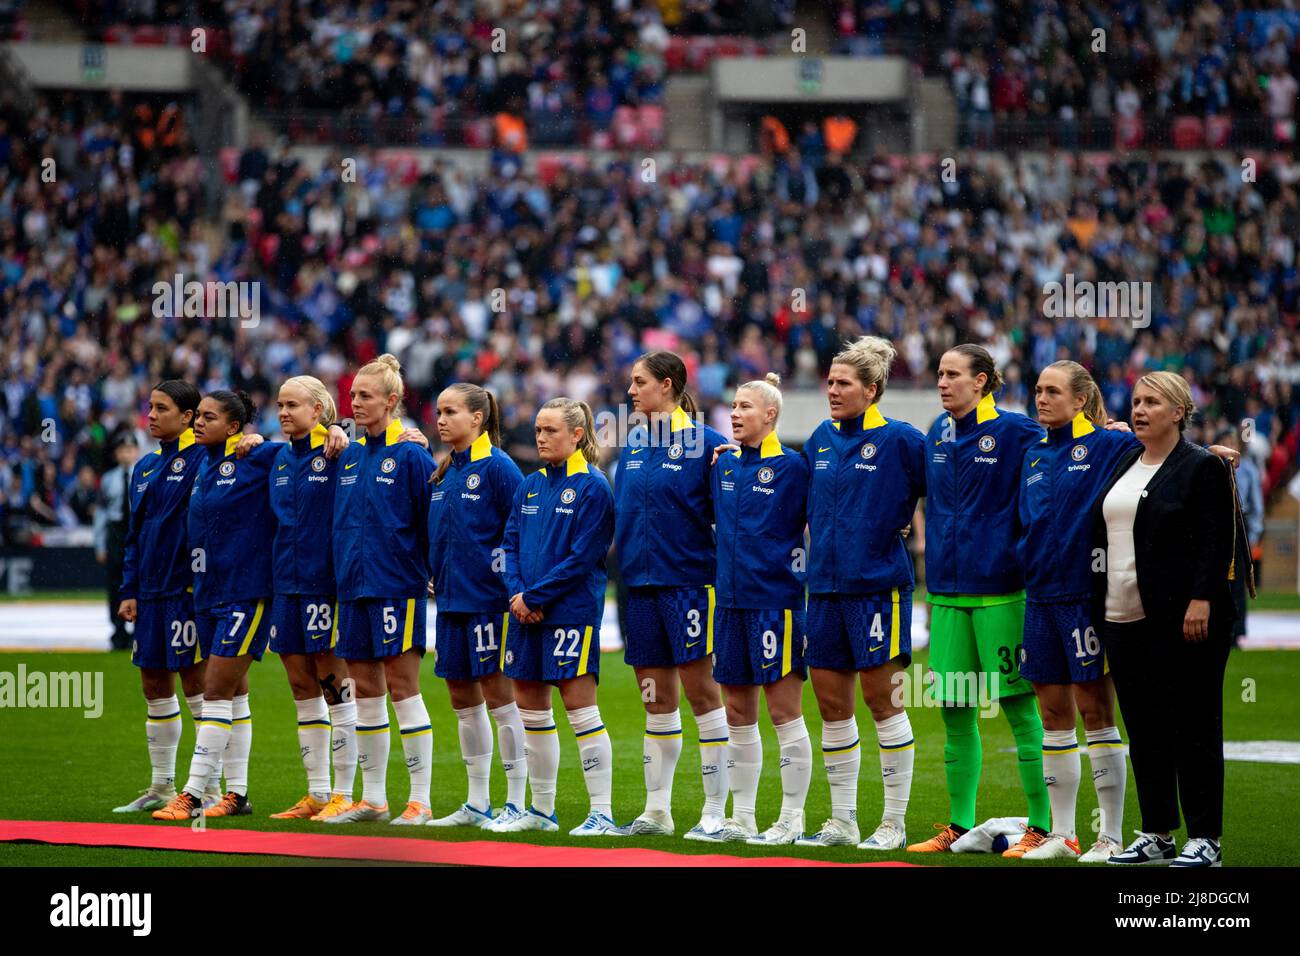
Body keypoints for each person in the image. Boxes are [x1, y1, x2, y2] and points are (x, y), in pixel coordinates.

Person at [154, 390, 327, 821]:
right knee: (233, 695)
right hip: (208, 593)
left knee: (215, 688)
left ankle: (193, 795)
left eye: (208, 417)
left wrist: (338, 430)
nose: (198, 423)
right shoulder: (202, 463)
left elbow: (305, 446)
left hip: (246, 593)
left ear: (233, 427)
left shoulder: (259, 456)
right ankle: (238, 795)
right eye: (198, 417)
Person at [1093, 373, 1239, 867]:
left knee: (1195, 726)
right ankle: (1157, 832)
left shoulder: (1201, 466)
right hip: (1123, 615)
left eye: (1152, 402)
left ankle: (1206, 838)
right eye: (1135, 401)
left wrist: (1202, 600)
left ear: (1178, 411)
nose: (1140, 409)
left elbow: (1216, 540)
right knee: (1145, 729)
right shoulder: (1123, 461)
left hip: (1183, 617)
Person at [911, 345, 1053, 857]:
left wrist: (1118, 435)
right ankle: (958, 825)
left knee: (1020, 711)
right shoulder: (936, 432)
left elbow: (1069, 452)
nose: (943, 382)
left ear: (984, 381)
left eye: (953, 375)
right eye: (940, 373)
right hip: (947, 597)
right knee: (954, 712)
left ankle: (1042, 825)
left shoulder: (1018, 431)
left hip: (1001, 596)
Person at [798, 336, 926, 850]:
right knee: (831, 706)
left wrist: (903, 526)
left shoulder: (903, 440)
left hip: (877, 589)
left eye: (843, 383)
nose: (832, 390)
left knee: (883, 702)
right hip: (824, 588)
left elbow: (947, 485)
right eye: (829, 382)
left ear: (871, 390)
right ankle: (842, 820)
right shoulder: (819, 440)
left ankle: (892, 824)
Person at [1015, 361, 1141, 861]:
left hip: (1085, 600)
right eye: (1038, 390)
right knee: (1052, 715)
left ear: (1081, 398)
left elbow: (1168, 460)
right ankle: (1063, 835)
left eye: (1052, 391)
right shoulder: (1033, 454)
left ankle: (1109, 836)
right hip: (1039, 597)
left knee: (1096, 711)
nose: (1041, 399)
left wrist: (1213, 454)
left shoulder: (1112, 446)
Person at [615, 351, 732, 839]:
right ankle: (657, 811)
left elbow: (733, 517)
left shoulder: (710, 445)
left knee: (703, 695)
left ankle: (714, 812)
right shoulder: (634, 444)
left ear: (667, 385)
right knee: (655, 700)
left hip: (689, 586)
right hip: (637, 588)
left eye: (639, 382)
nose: (630, 391)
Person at [496, 397, 621, 836]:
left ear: (577, 435)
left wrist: (534, 596)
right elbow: (509, 544)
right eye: (538, 431)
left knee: (579, 709)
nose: (541, 438)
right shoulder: (529, 485)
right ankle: (541, 811)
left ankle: (602, 812)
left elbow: (583, 557)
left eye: (550, 431)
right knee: (530, 707)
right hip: (525, 611)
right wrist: (517, 595)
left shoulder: (594, 486)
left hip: (570, 612)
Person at [326, 354, 437, 825]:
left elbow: (430, 518)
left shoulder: (412, 454)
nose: (354, 404)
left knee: (403, 690)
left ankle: (421, 799)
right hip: (353, 589)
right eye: (351, 396)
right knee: (365, 693)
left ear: (392, 401)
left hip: (397, 588)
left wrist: (430, 571)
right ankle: (373, 799)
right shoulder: (348, 454)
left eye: (365, 396)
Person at [707, 374, 813, 844]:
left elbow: (822, 519)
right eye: (733, 405)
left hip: (776, 605)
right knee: (736, 712)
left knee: (784, 712)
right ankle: (743, 817)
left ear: (770, 415)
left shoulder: (794, 467)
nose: (734, 413)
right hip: (728, 604)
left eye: (745, 406)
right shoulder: (724, 467)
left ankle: (792, 817)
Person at [424, 383, 530, 832]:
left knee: (500, 699)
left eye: (450, 412)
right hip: (450, 602)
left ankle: (519, 803)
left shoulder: (500, 469)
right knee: (462, 700)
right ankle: (478, 801)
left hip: (489, 603)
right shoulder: (445, 470)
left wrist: (512, 587)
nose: (441, 420)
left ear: (478, 418)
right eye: (439, 412)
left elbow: (523, 531)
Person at [264, 376, 362, 822]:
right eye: (280, 405)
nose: (284, 412)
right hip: (286, 585)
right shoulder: (277, 457)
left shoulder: (340, 451)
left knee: (335, 686)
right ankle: (317, 793)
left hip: (326, 586)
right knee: (302, 689)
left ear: (318, 411)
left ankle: (345, 791)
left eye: (293, 405)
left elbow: (377, 442)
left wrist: (344, 427)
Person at [113, 381, 214, 814]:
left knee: (197, 686)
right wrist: (129, 589)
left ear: (188, 416)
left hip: (185, 590)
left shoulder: (206, 459)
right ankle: (161, 786)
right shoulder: (145, 467)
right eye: (149, 406)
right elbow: (134, 536)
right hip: (150, 593)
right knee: (153, 684)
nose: (150, 415)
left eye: (161, 408)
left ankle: (209, 788)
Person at [96, 430, 139, 650]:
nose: (126, 453)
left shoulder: (144, 475)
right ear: (116, 453)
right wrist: (100, 544)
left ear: (137, 452)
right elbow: (101, 514)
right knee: (115, 583)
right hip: (115, 533)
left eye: (130, 449)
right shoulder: (108, 479)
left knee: (140, 581)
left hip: (137, 530)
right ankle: (118, 629)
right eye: (122, 450)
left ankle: (137, 630)